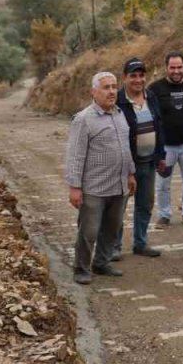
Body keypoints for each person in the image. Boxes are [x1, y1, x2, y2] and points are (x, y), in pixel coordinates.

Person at [64, 72, 137, 285]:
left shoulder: (120, 114)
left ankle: (101, 262)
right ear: (93, 92)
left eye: (114, 87)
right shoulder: (83, 119)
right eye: (106, 87)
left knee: (112, 227)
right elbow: (75, 156)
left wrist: (131, 173)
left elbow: (126, 148)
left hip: (119, 185)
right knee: (89, 231)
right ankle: (81, 268)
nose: (112, 91)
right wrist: (74, 187)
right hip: (94, 187)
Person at [114, 58, 166, 259]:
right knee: (118, 208)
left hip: (149, 162)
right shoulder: (117, 101)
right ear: (125, 78)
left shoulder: (151, 97)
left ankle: (141, 243)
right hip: (126, 165)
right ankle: (114, 247)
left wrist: (160, 155)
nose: (138, 79)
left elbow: (159, 126)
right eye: (133, 76)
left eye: (141, 75)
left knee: (145, 204)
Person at [148, 51, 183, 226]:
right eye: (172, 67)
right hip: (165, 146)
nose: (176, 71)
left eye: (179, 67)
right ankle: (164, 214)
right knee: (163, 183)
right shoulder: (155, 89)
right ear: (166, 68)